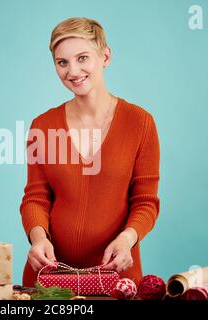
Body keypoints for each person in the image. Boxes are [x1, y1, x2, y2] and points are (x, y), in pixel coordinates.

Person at [19, 17, 160, 288]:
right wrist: (39, 239)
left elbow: (146, 201)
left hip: (117, 279)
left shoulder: (140, 123)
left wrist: (126, 239)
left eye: (82, 58)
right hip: (50, 280)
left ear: (105, 56)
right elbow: (35, 198)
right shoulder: (43, 125)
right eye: (62, 62)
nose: (73, 71)